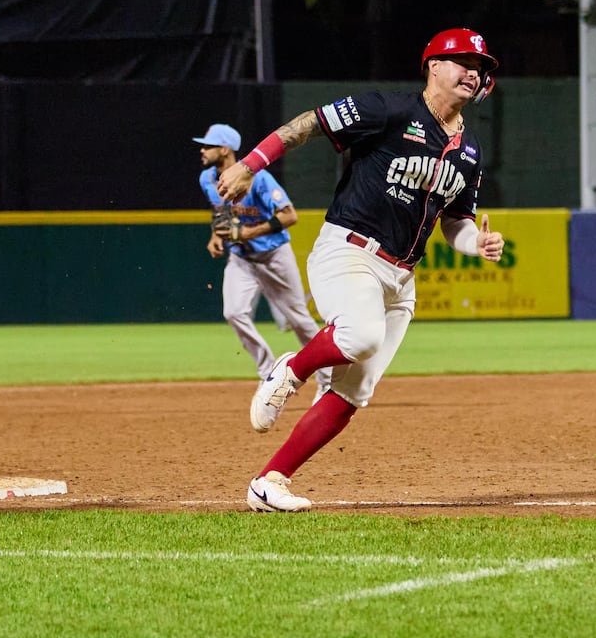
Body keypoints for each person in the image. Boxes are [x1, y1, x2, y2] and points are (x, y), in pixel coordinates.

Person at [216, 29, 505, 513]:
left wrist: (476, 242)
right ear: (433, 66)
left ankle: (269, 483)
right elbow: (311, 123)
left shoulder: (470, 150)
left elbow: (455, 222)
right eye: (463, 62)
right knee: (361, 335)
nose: (473, 73)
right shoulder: (388, 110)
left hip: (401, 279)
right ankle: (291, 369)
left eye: (480, 67)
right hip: (349, 251)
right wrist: (250, 164)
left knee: (354, 392)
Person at [194, 123, 331, 394]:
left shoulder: (259, 179)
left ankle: (328, 380)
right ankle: (269, 372)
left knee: (298, 320)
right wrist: (216, 235)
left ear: (225, 150)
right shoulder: (207, 178)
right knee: (233, 312)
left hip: (274, 255)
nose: (202, 150)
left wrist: (248, 233)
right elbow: (221, 213)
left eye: (209, 146)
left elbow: (289, 215)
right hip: (242, 259)